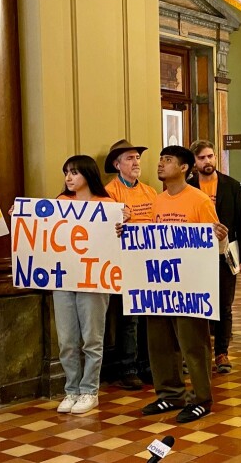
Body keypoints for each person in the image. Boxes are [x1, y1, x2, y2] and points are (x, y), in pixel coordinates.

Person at [135, 145, 228, 423]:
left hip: (190, 284)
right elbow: (150, 237)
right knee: (160, 341)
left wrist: (219, 236)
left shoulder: (199, 200)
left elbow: (215, 242)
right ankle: (170, 393)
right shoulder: (157, 201)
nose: (161, 164)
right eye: (161, 159)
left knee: (192, 342)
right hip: (160, 283)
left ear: (185, 168)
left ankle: (201, 398)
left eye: (168, 160)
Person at [51, 155, 114, 414]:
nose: (69, 177)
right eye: (66, 172)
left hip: (94, 277)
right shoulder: (60, 203)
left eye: (75, 172)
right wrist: (22, 216)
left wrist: (123, 223)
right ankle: (71, 389)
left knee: (91, 338)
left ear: (88, 174)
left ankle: (89, 390)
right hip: (64, 277)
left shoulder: (107, 204)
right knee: (66, 340)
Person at [188, 140, 241, 373]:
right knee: (198, 306)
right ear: (194, 162)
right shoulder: (188, 187)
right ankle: (198, 353)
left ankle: (222, 353)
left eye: (211, 156)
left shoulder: (231, 185)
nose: (208, 161)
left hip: (224, 254)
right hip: (195, 256)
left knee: (224, 305)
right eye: (202, 158)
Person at [102, 139, 157, 390]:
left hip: (149, 261)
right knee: (130, 318)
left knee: (150, 316)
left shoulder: (149, 191)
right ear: (117, 164)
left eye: (137, 158)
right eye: (130, 158)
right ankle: (128, 366)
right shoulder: (109, 192)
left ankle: (148, 364)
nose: (136, 163)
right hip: (124, 264)